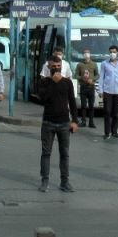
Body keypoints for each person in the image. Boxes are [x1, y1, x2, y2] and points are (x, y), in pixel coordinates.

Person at [38, 56, 79, 193]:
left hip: (64, 123)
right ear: (49, 67)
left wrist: (74, 121)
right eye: (53, 66)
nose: (56, 68)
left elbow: (72, 102)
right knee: (46, 153)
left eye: (58, 65)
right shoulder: (45, 82)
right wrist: (53, 84)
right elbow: (43, 98)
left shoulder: (67, 82)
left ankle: (65, 182)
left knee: (65, 154)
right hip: (48, 122)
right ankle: (45, 181)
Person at [99, 45, 118, 140]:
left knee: (116, 113)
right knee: (107, 112)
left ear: (117, 53)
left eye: (114, 52)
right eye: (111, 52)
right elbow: (101, 77)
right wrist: (100, 90)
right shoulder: (104, 64)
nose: (112, 53)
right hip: (107, 91)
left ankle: (114, 131)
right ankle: (107, 132)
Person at [75, 48, 99, 128]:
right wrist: (82, 78)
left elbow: (97, 75)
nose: (86, 54)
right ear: (83, 55)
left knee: (91, 106)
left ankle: (91, 122)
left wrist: (92, 79)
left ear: (90, 54)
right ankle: (83, 121)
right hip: (83, 87)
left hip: (91, 86)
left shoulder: (94, 64)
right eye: (85, 53)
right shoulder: (79, 64)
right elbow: (76, 75)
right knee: (83, 105)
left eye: (87, 53)